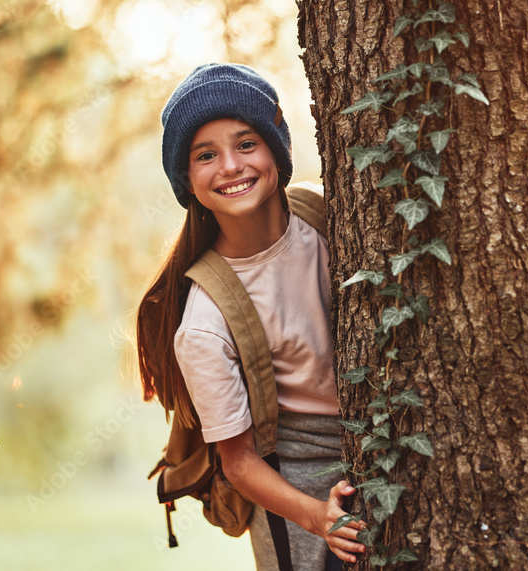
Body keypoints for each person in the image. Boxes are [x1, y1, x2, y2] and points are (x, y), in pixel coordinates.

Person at [135, 63, 364, 570]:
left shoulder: (326, 215)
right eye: (205, 155)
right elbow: (238, 461)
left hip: (380, 445)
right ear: (187, 181)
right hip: (295, 491)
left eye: (246, 144)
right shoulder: (204, 321)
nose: (230, 166)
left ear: (276, 151)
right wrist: (314, 517)